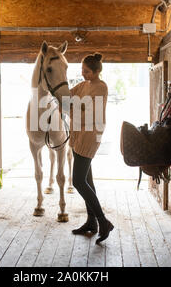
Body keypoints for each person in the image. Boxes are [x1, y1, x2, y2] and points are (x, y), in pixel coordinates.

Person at [67, 53, 114, 244]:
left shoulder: (100, 87)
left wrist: (69, 107)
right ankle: (92, 222)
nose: (83, 74)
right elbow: (68, 95)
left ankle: (103, 221)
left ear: (96, 71)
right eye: (82, 70)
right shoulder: (84, 84)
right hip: (79, 133)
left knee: (78, 181)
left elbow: (86, 111)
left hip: (89, 134)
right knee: (87, 179)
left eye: (86, 71)